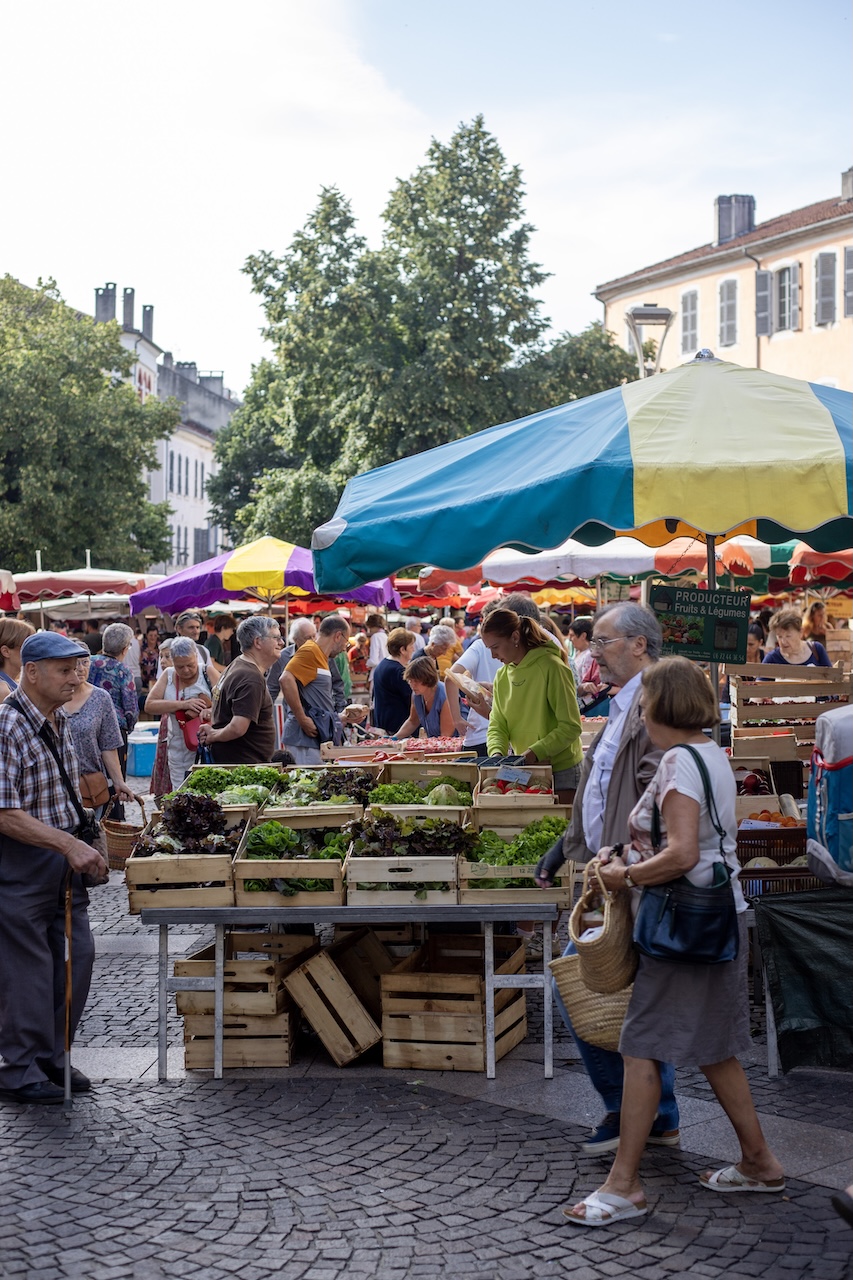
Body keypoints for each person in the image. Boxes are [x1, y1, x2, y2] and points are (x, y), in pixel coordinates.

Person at [563, 657, 784, 1226]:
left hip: (684, 922)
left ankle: (624, 1185)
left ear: (661, 705)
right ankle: (759, 1162)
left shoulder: (680, 763)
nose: (638, 709)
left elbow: (684, 853)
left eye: (644, 701)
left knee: (641, 1045)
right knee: (713, 1047)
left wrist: (624, 875)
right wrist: (631, 855)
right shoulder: (708, 753)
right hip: (717, 916)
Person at [536, 602, 680, 1154]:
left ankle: (629, 1111)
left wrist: (624, 860)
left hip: (632, 878)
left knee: (582, 987)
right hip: (611, 874)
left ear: (639, 645)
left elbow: (657, 795)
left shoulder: (655, 705)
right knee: (631, 998)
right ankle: (657, 1114)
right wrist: (561, 848)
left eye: (602, 641)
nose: (592, 651)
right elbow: (599, 789)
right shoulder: (622, 704)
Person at [0, 632, 109, 1104]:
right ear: (32, 671)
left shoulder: (58, 719)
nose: (75, 677)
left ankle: (52, 1052)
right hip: (24, 864)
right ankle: (17, 1066)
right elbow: (5, 812)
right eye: (64, 670)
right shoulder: (7, 726)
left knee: (75, 958)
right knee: (28, 968)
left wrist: (90, 832)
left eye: (78, 668)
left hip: (63, 860)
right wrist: (68, 844)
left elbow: (66, 791)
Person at [480, 608, 582, 804]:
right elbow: (497, 723)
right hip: (525, 768)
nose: (493, 655)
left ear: (515, 636)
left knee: (561, 831)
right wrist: (496, 754)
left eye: (496, 647)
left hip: (562, 771)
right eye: (489, 649)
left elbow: (571, 726)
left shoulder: (553, 667)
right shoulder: (502, 676)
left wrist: (535, 752)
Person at [198, 616, 283, 765]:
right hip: (244, 764)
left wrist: (214, 732)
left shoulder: (237, 664)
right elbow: (238, 727)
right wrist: (214, 735)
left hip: (235, 761)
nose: (281, 643)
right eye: (276, 638)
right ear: (258, 642)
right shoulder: (250, 676)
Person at [280, 615, 365, 764]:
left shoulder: (321, 656)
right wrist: (303, 719)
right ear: (338, 636)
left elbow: (318, 700)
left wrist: (343, 717)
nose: (345, 648)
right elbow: (285, 679)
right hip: (304, 740)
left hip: (314, 738)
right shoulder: (310, 650)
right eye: (346, 642)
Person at [64, 652, 136, 817]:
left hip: (91, 788)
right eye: (75, 664)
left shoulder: (101, 698)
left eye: (85, 663)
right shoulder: (53, 697)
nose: (81, 669)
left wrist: (118, 781)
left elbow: (108, 745)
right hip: (58, 787)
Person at [144, 637, 218, 790]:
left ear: (196, 656)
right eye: (180, 667)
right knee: (181, 790)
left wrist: (211, 711)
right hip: (178, 746)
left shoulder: (207, 671)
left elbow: (228, 703)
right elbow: (149, 705)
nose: (185, 670)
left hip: (209, 745)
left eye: (190, 665)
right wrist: (182, 704)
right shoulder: (168, 675)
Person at [88, 623, 139, 820]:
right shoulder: (122, 670)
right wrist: (128, 727)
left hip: (88, 729)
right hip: (115, 732)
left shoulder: (89, 662)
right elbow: (131, 709)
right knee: (116, 777)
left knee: (93, 774)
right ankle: (114, 818)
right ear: (126, 648)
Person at [445, 600, 503, 757]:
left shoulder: (479, 646)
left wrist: (457, 719)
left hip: (478, 733)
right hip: (508, 733)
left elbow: (450, 678)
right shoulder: (517, 646)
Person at [393, 654, 457, 740]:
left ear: (428, 678)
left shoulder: (444, 696)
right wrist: (394, 738)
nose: (412, 685)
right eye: (410, 681)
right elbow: (413, 721)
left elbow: (445, 736)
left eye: (416, 681)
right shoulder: (417, 694)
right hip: (436, 743)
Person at [372, 627, 417, 733]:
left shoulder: (383, 664)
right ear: (402, 650)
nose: (413, 649)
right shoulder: (398, 671)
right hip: (397, 727)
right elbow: (412, 700)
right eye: (411, 646)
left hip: (385, 724)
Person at [762, 606, 831, 668]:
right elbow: (760, 681)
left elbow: (832, 678)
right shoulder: (772, 658)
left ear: (801, 632)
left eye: (788, 636)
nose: (783, 641)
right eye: (780, 636)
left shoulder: (817, 650)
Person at [267, 618, 316, 699]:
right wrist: (266, 710)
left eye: (314, 636)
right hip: (292, 710)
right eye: (308, 638)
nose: (313, 641)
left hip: (322, 710)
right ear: (295, 639)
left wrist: (338, 706)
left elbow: (337, 683)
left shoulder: (323, 653)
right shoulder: (282, 657)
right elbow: (272, 688)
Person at [0, 618, 36, 705]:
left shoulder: (12, 683)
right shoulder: (3, 690)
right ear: (6, 651)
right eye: (27, 647)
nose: (34, 652)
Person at [139, 624, 161, 696]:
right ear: (147, 635)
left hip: (157, 680)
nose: (153, 638)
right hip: (144, 681)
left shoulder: (160, 647)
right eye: (151, 635)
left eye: (155, 635)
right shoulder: (141, 647)